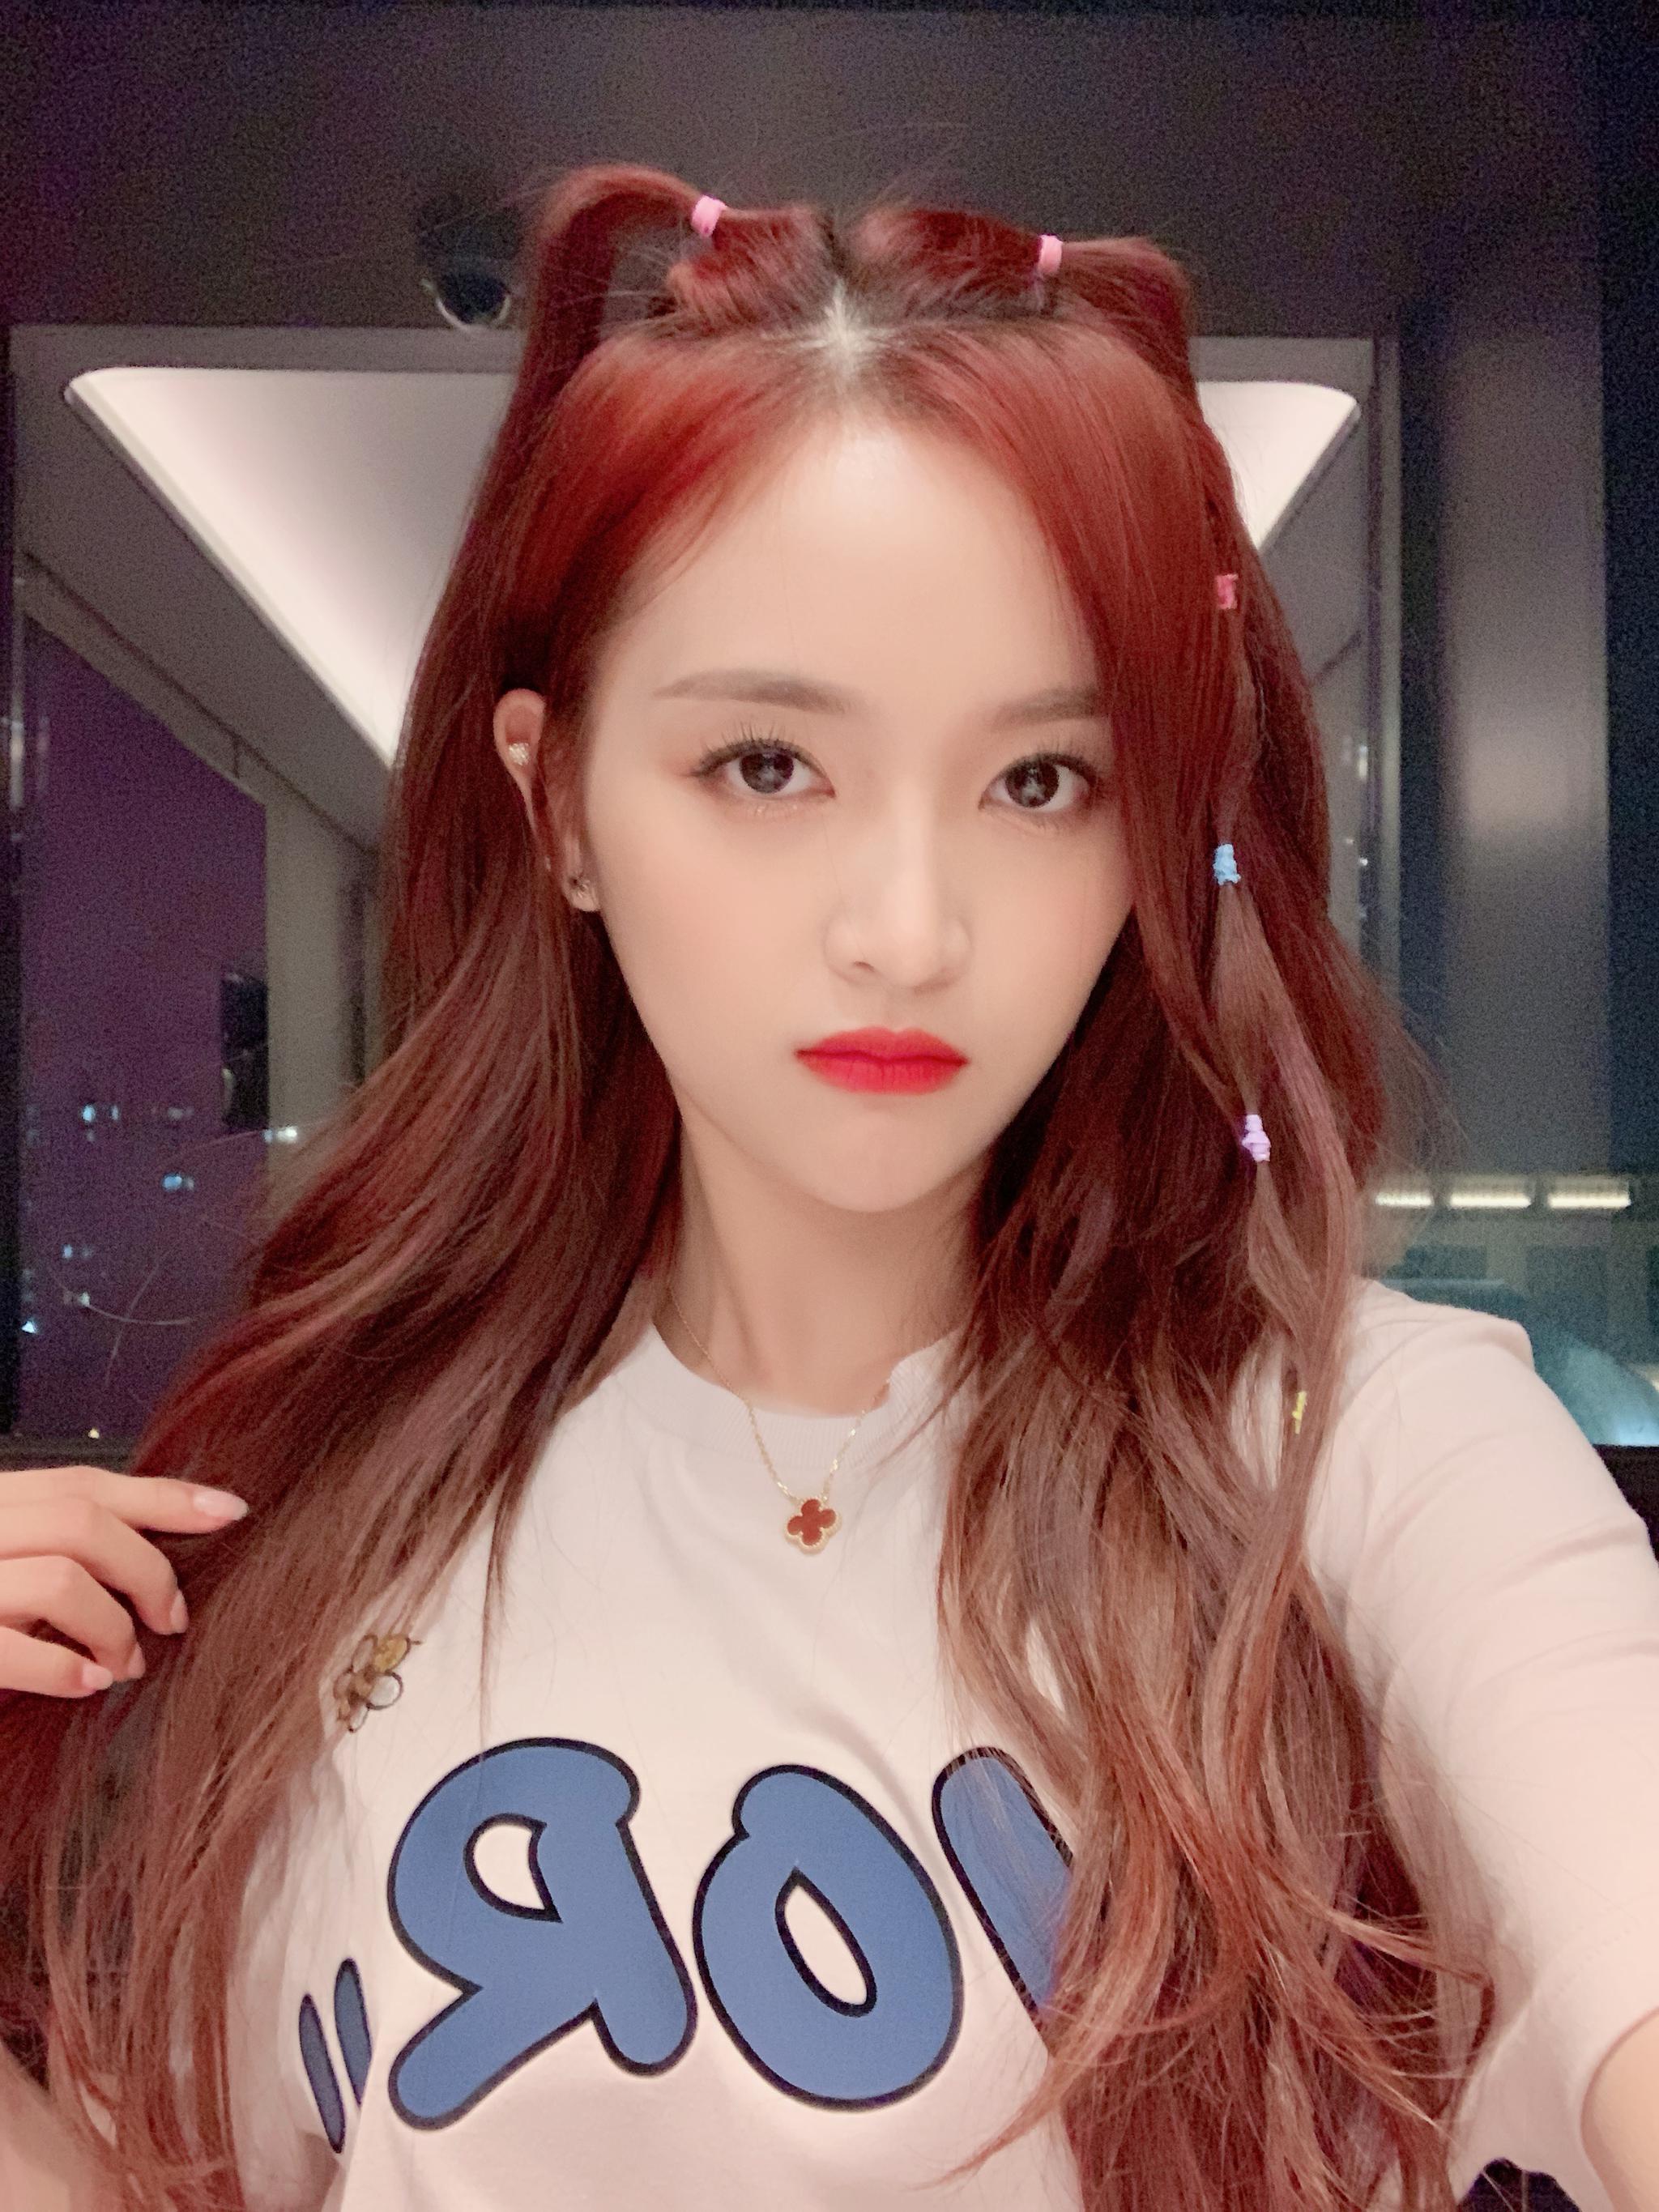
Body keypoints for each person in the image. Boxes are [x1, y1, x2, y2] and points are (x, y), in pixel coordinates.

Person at [0, 160, 1656, 2212]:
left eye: (1040, 779)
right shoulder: (353, 1515)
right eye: (767, 766)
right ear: (558, 801)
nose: (907, 928)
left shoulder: (1361, 1453)